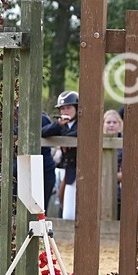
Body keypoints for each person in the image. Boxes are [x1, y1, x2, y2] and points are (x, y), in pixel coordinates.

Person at [42, 90, 79, 219]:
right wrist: (57, 124)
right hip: (68, 170)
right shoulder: (61, 125)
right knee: (65, 208)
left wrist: (66, 140)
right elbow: (43, 132)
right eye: (62, 109)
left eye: (68, 108)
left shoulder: (81, 124)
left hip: (82, 169)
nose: (65, 112)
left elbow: (80, 133)